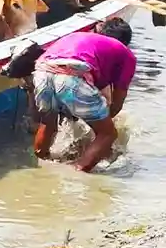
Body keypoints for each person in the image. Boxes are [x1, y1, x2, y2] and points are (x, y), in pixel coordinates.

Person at [29, 17, 136, 172]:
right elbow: (117, 102)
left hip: (41, 72)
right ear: (126, 42)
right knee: (108, 134)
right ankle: (76, 173)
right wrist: (102, 129)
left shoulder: (81, 38)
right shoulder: (125, 54)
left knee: (48, 125)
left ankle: (39, 166)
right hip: (70, 77)